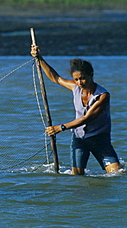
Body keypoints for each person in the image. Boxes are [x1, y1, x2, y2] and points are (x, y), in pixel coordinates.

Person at [31, 45, 123, 175]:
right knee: (77, 177)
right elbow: (55, 78)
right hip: (79, 139)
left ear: (91, 75)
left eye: (83, 78)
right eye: (76, 79)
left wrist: (60, 128)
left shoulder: (103, 96)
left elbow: (87, 118)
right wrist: (39, 58)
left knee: (117, 173)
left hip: (100, 140)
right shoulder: (75, 88)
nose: (80, 82)